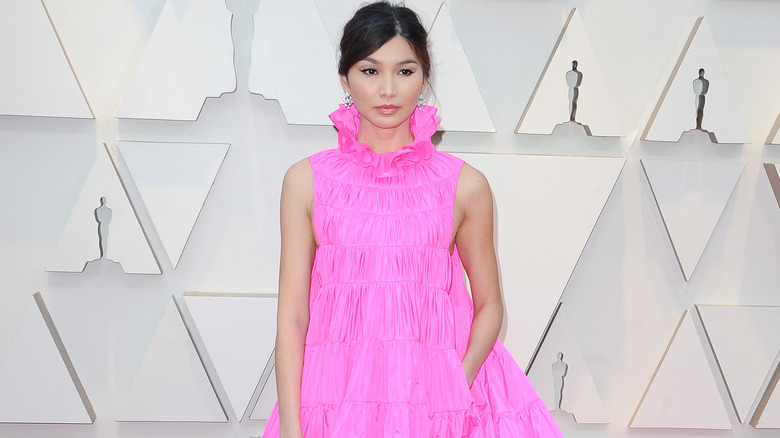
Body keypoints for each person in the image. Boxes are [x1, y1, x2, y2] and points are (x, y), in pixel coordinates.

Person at [264, 2, 562, 437]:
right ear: (345, 78)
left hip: (439, 395)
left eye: (405, 71)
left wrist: (455, 386)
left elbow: (490, 305)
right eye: (370, 71)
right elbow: (292, 315)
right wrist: (292, 429)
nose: (388, 90)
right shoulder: (305, 181)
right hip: (336, 397)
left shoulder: (465, 185)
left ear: (424, 78)